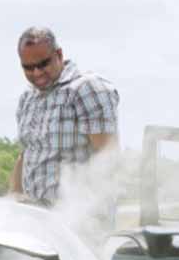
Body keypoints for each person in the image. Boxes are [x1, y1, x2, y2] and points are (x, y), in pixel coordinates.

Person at [9, 26, 120, 240]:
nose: (37, 73)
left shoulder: (87, 89)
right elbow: (27, 154)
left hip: (79, 224)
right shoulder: (27, 99)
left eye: (43, 64)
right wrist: (12, 200)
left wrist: (82, 216)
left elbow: (109, 160)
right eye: (28, 68)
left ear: (59, 54)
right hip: (36, 223)